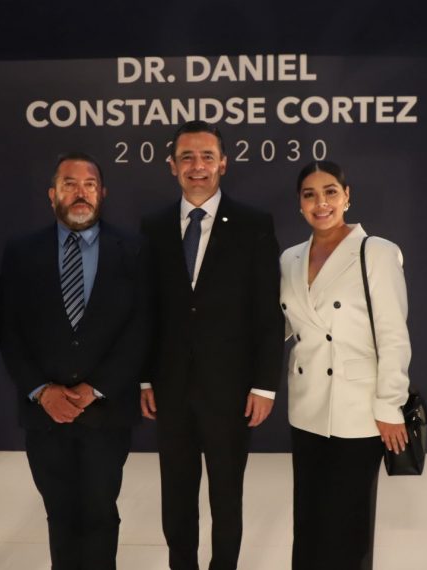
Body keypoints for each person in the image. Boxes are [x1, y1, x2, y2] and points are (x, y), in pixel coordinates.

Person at [139, 120, 284, 570]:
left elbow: (267, 312)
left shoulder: (254, 225)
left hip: (231, 392)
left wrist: (264, 385)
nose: (197, 166)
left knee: (226, 498)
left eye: (207, 156)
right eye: (187, 157)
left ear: (224, 163)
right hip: (171, 391)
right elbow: (147, 311)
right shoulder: (153, 226)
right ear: (172, 166)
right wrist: (145, 378)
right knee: (176, 499)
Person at [0, 152, 147, 570]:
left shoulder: (134, 249)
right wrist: (41, 391)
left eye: (89, 184)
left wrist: (96, 389)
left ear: (103, 193)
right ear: (52, 194)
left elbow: (141, 328)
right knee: (60, 515)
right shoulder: (21, 252)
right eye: (69, 184)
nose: (80, 192)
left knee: (101, 514)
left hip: (106, 411)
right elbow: (8, 329)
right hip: (45, 414)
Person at [279, 160, 411, 570]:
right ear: (299, 203)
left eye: (330, 192)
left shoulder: (378, 252)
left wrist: (389, 405)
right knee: (309, 521)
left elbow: (393, 335)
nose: (321, 203)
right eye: (310, 195)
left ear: (347, 196)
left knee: (349, 527)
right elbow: (280, 326)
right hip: (307, 407)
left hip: (359, 409)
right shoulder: (290, 258)